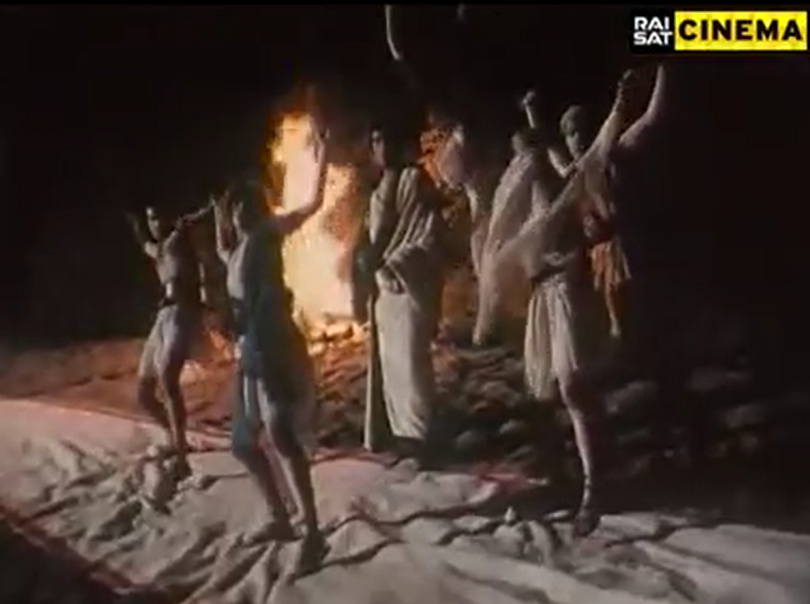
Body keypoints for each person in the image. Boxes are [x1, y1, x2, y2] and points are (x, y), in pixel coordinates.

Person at [211, 131, 329, 574]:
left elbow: (311, 206)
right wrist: (217, 209)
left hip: (274, 344)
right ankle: (280, 516)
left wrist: (323, 157)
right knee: (244, 444)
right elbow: (223, 251)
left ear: (257, 208)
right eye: (234, 207)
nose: (239, 212)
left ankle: (313, 533)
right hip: (249, 351)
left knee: (280, 433)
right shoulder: (235, 250)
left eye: (245, 205)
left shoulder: (265, 234)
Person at [360, 123, 447, 462]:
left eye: (384, 139)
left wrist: (394, 265)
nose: (379, 147)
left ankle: (423, 437)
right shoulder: (377, 192)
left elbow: (429, 234)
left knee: (412, 362)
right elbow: (371, 242)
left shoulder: (416, 180)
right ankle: (401, 434)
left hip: (409, 284)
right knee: (393, 365)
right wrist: (370, 269)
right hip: (384, 294)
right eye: (374, 141)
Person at [125, 204, 211, 482]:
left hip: (183, 314)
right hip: (164, 316)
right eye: (151, 218)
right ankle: (175, 438)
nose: (155, 223)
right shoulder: (159, 248)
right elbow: (145, 244)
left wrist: (204, 212)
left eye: (158, 216)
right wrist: (135, 223)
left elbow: (189, 224)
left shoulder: (177, 240)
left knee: (168, 379)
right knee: (144, 393)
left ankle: (182, 456)